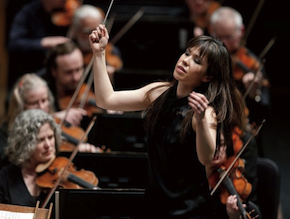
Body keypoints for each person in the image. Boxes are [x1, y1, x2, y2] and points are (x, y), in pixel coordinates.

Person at [89, 24, 248, 218]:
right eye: (187, 53)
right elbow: (106, 99)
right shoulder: (158, 92)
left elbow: (206, 157)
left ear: (207, 76)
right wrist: (99, 54)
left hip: (188, 211)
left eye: (196, 61)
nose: (185, 61)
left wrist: (200, 117)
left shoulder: (204, 113)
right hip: (155, 205)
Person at [0, 73, 101, 169]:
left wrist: (80, 151)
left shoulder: (55, 124)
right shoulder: (5, 132)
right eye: (34, 103)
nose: (41, 107)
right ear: (20, 106)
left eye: (44, 100)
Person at [208, 6, 271, 133]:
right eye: (218, 37)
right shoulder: (207, 58)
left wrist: (254, 94)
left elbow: (265, 111)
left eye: (229, 37)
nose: (223, 43)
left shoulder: (251, 63)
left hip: (242, 128)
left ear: (241, 31)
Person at [0, 109, 62, 207]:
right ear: (25, 143)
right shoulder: (5, 178)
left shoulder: (61, 174)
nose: (48, 145)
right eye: (40, 140)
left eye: (50, 137)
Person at [6, 0, 71, 92]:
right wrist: (44, 42)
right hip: (31, 74)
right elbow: (14, 44)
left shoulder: (68, 13)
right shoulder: (28, 13)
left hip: (59, 79)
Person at [71, 4, 123, 83]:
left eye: (97, 30)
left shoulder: (112, 51)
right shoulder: (67, 52)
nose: (94, 36)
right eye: (87, 31)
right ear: (75, 30)